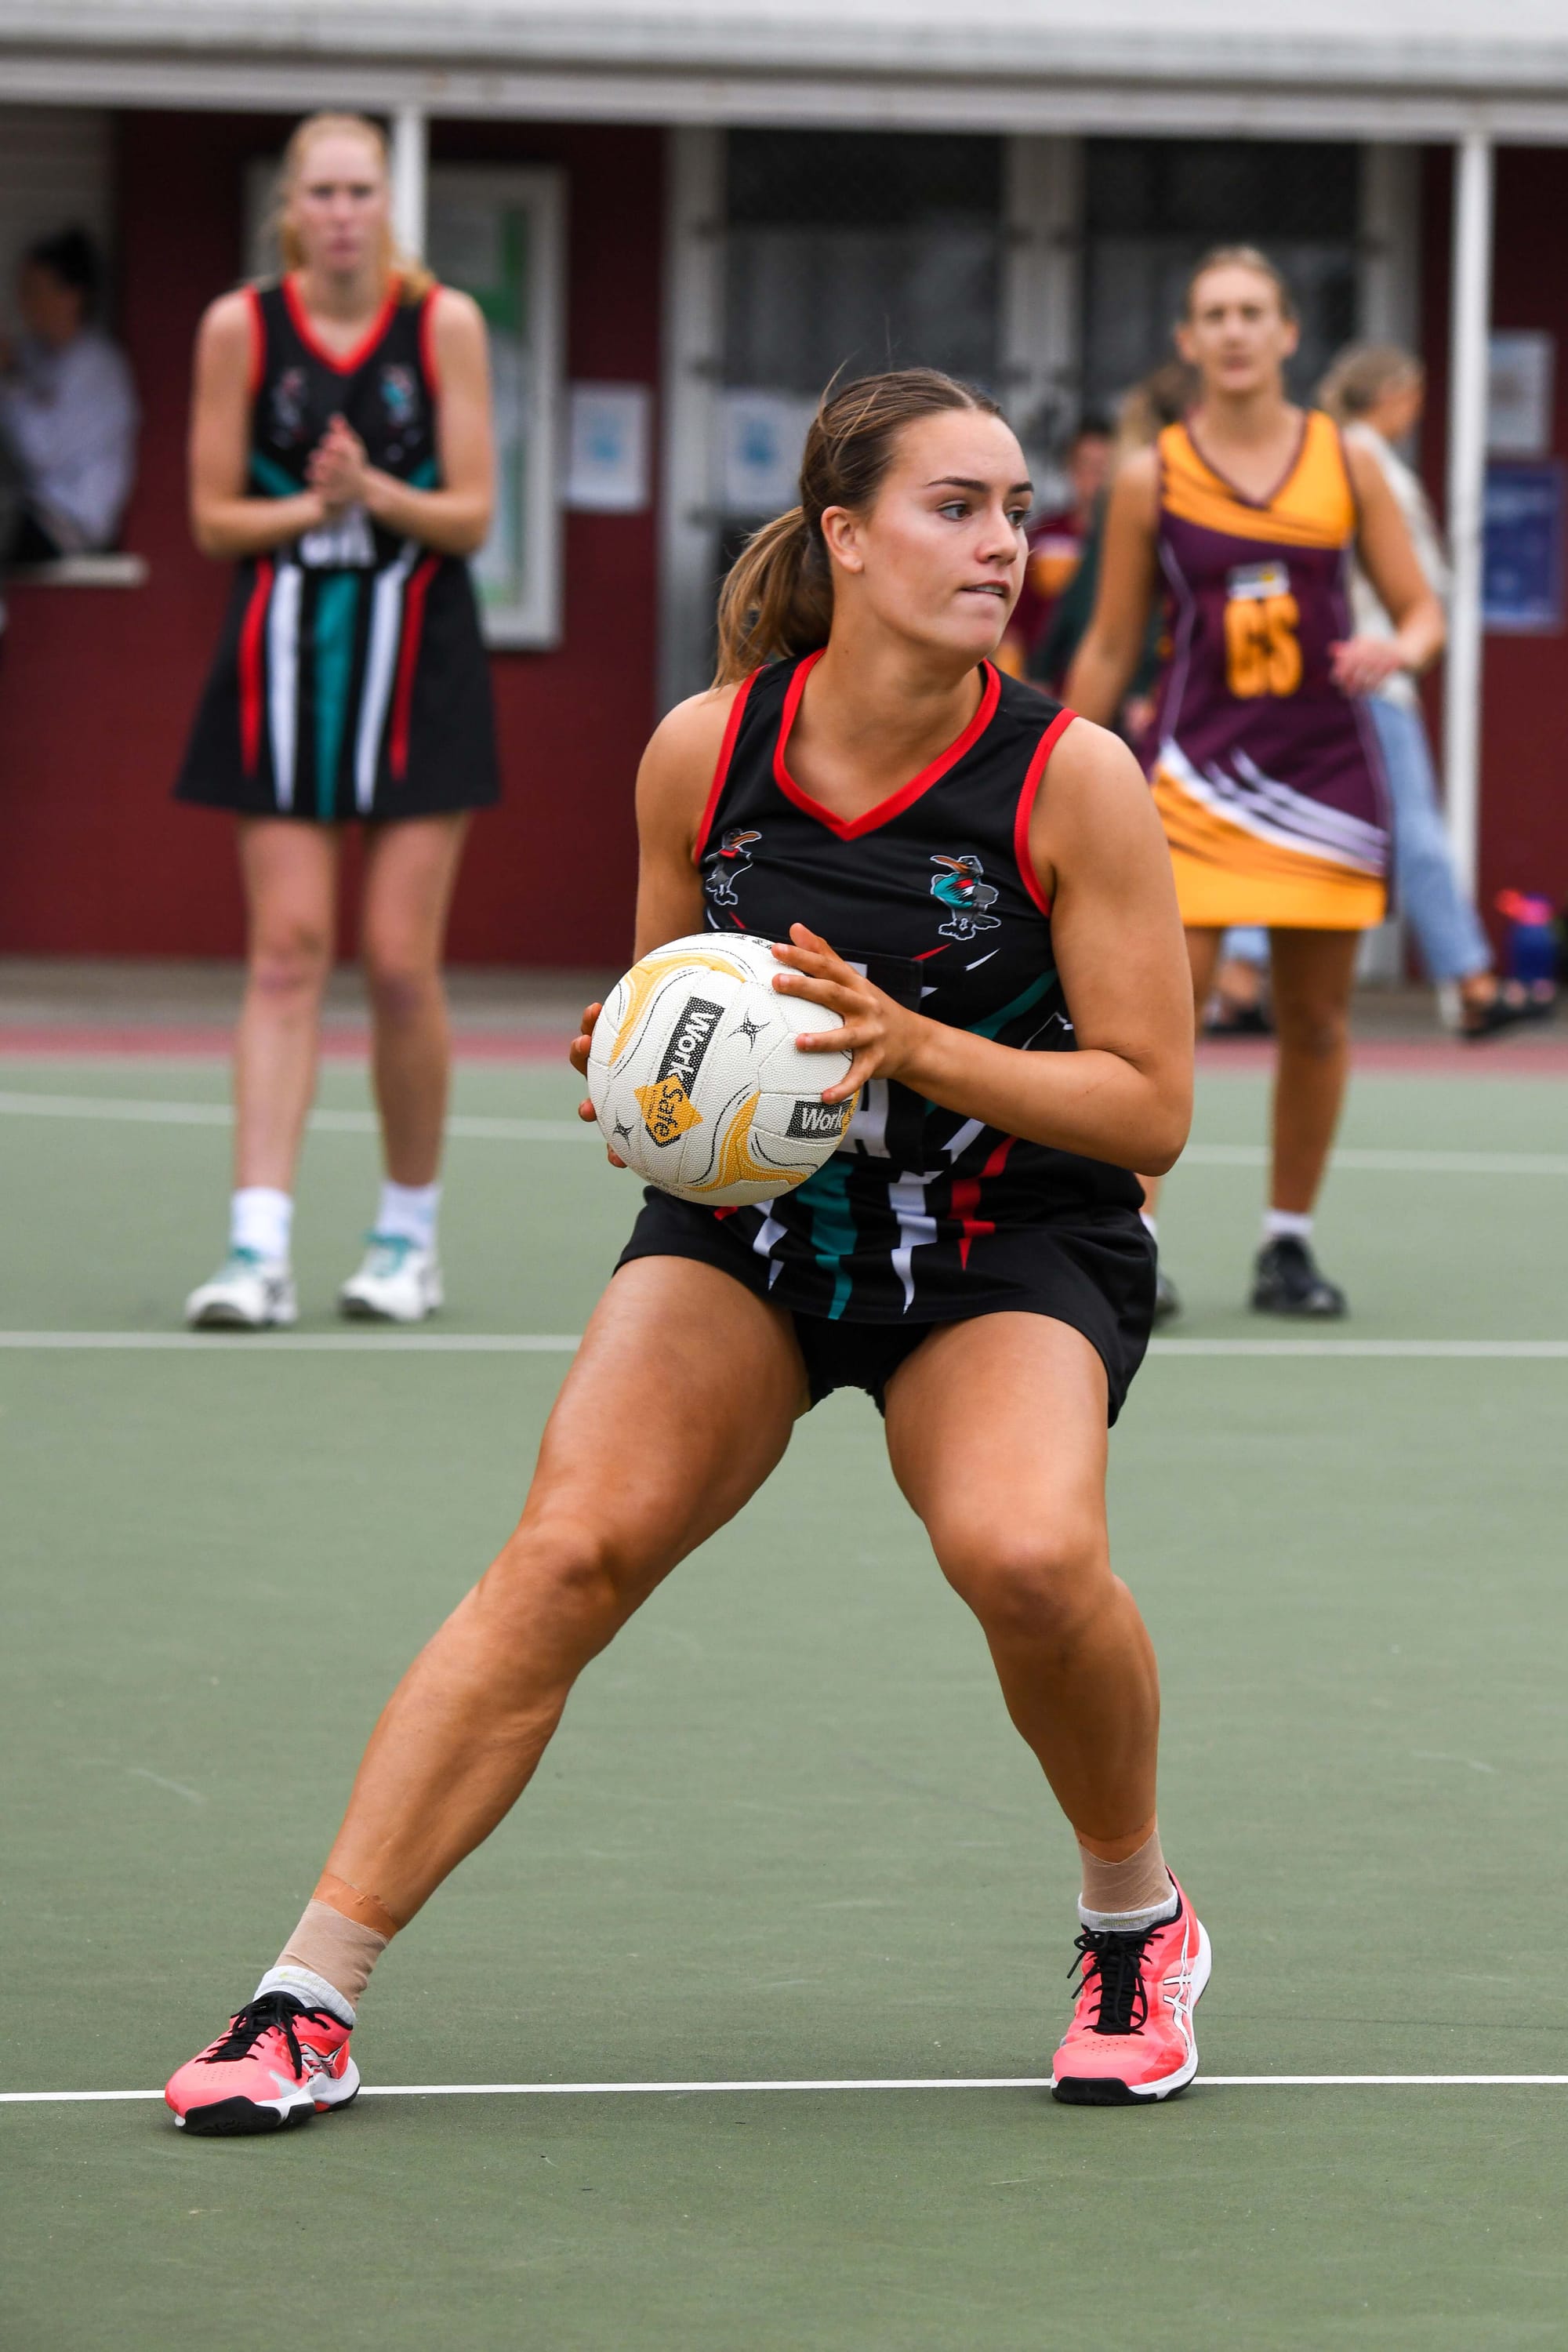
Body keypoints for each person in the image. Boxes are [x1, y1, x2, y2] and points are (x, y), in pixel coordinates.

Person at [164, 368, 1210, 2133]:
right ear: (847, 537)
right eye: (957, 507)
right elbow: (670, 1007)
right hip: (750, 1236)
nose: (1003, 544)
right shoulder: (703, 748)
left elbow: (1149, 1109)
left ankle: (1136, 1920)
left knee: (1027, 1557)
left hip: (1003, 1236)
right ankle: (303, 1996)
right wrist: (638, 1067)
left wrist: (916, 1045)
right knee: (568, 1552)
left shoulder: (1069, 778)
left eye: (1018, 508)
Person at [1067, 246, 1444, 1319]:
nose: (1233, 331)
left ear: (1287, 335)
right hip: (1194, 779)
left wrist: (1399, 649)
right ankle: (1132, 1238)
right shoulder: (1152, 476)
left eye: (1253, 313)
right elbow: (1109, 645)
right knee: (1160, 1015)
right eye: (1212, 315)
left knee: (1315, 1021)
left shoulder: (1348, 460)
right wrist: (1039, 757)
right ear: (1189, 341)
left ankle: (1289, 1244)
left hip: (1325, 779)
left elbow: (1422, 610)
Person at [175, 113, 499, 1329]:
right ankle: (257, 1252)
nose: (345, 211)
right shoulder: (240, 327)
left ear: (388, 204)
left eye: (363, 189)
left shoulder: (443, 323)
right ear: (290, 207)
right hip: (282, 665)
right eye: (323, 191)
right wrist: (316, 511)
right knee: (286, 949)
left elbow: (469, 517)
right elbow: (212, 517)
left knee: (401, 960)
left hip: (420, 668)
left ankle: (405, 1240)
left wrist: (377, 493)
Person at [1316, 342, 1521, 1041]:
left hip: (1348, 675)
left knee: (1297, 824)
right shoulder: (1366, 464)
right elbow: (1417, 586)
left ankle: (1243, 979)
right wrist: (1406, 644)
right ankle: (1471, 980)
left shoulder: (1335, 457)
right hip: (1372, 677)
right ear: (1394, 396)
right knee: (1415, 828)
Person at [0, 227, 139, 561]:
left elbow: (40, 454)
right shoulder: (37, 355)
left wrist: (10, 378)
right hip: (30, 512)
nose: (25, 303)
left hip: (69, 525)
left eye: (36, 291)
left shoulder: (97, 367)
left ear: (72, 296)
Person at [996, 415, 1112, 681]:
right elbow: (1016, 621)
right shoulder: (1045, 535)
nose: (1095, 479)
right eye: (1087, 466)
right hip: (1044, 681)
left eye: (1104, 467)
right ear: (1070, 468)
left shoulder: (1129, 541)